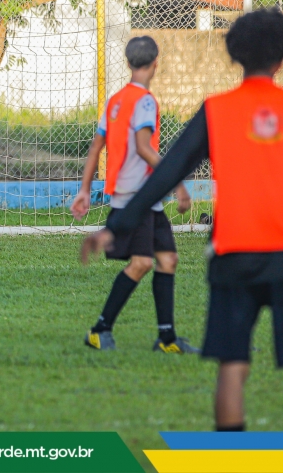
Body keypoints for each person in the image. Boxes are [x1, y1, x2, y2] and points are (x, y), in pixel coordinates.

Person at [82, 8, 283, 431]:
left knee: (232, 367)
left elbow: (166, 174)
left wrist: (114, 227)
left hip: (234, 255)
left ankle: (230, 454)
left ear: (236, 55)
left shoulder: (216, 111)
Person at [71, 36, 197, 353]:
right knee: (141, 263)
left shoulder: (115, 100)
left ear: (128, 63)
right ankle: (99, 330)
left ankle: (166, 339)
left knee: (167, 259)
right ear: (156, 63)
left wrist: (85, 189)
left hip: (144, 196)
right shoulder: (145, 101)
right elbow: (143, 148)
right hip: (135, 196)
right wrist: (177, 181)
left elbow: (96, 147)